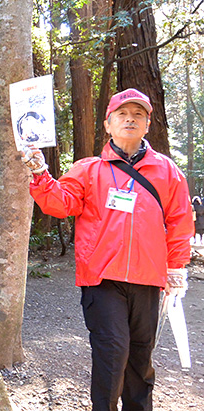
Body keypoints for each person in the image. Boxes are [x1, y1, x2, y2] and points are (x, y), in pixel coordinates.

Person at [21, 88, 194, 411]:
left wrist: (176, 266)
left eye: (138, 115)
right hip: (102, 280)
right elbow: (61, 204)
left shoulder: (167, 171)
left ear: (147, 125)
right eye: (122, 115)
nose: (130, 120)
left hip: (148, 280)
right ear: (108, 124)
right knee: (113, 351)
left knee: (140, 357)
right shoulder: (89, 169)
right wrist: (39, 173)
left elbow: (181, 220)